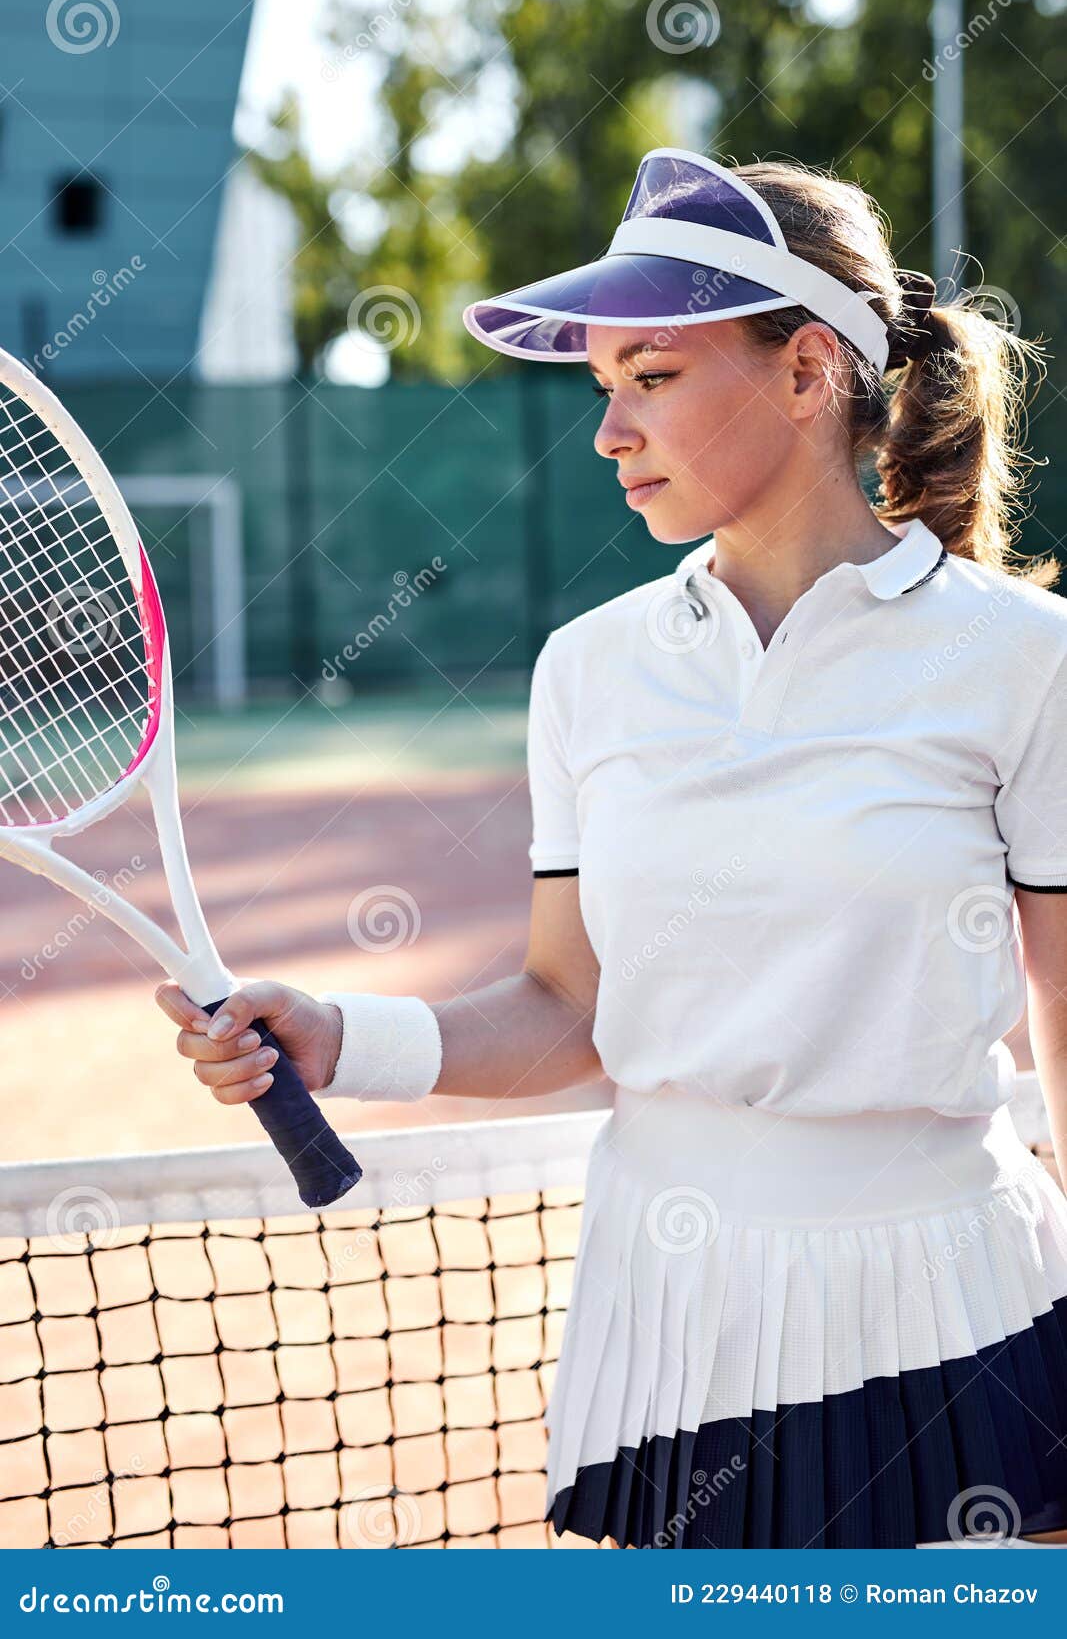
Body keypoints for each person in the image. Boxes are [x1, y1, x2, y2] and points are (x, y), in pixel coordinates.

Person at [156, 149, 1067, 1550]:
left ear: (809, 368)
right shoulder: (589, 671)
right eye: (603, 388)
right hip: (673, 1309)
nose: (609, 432)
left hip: (961, 1299)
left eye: (652, 376)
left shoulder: (1023, 658)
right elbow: (571, 1006)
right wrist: (343, 1036)